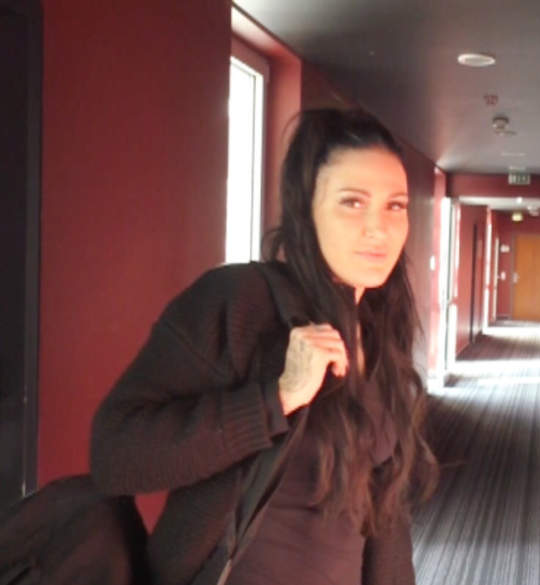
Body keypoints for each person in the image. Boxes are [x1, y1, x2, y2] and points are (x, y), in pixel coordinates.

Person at [89, 108, 438, 585]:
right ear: (306, 210)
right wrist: (277, 399)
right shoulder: (239, 303)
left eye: (395, 206)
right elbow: (115, 454)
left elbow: (384, 513)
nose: (378, 228)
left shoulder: (379, 330)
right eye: (353, 202)